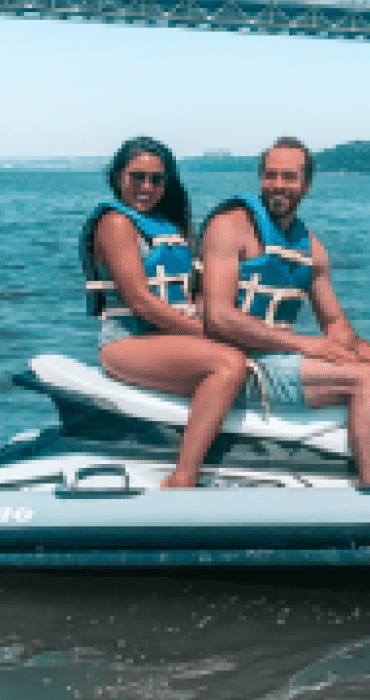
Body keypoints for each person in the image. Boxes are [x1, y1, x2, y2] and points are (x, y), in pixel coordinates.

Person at [198, 136, 370, 487]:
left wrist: (365, 348)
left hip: (277, 358)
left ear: (307, 184)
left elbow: (334, 323)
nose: (278, 185)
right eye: (271, 175)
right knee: (363, 379)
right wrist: (305, 344)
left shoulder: (311, 248)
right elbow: (218, 317)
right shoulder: (229, 227)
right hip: (237, 364)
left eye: (289, 177)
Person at [81, 136, 248, 489]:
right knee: (228, 364)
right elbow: (140, 302)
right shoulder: (115, 223)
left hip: (171, 338)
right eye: (137, 177)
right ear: (118, 177)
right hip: (127, 342)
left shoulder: (167, 225)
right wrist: (207, 332)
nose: (146, 187)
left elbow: (191, 292)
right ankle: (183, 477)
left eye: (156, 179)